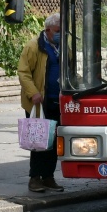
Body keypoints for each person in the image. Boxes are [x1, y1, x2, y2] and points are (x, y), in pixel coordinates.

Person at [17, 13, 64, 193]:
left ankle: (48, 177)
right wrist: (33, 93)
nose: (60, 34)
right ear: (48, 30)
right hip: (38, 103)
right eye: (58, 31)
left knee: (52, 142)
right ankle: (34, 178)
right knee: (38, 141)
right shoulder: (33, 46)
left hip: (56, 100)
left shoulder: (61, 46)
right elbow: (23, 72)